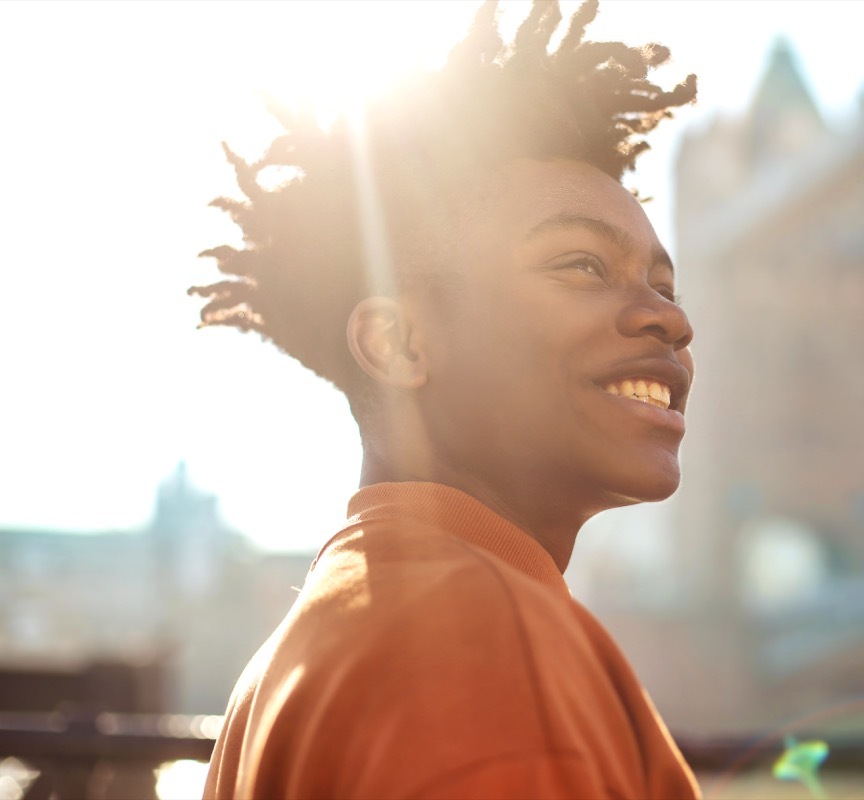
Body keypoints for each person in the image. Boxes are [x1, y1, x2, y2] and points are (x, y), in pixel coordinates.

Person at [195, 1, 699, 797]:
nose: (670, 319)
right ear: (401, 345)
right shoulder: (486, 643)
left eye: (662, 284)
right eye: (583, 266)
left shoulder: (291, 657)